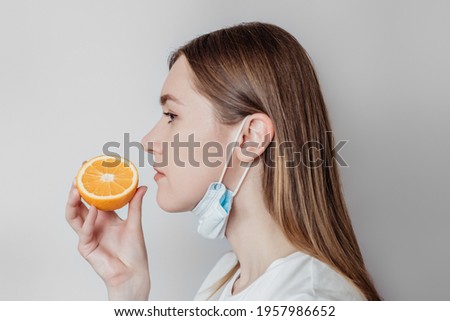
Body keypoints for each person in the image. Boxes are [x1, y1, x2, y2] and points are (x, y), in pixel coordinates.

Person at [66, 22, 381, 301]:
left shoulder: (310, 299)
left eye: (172, 116)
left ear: (251, 138)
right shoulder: (227, 278)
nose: (148, 142)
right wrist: (128, 290)